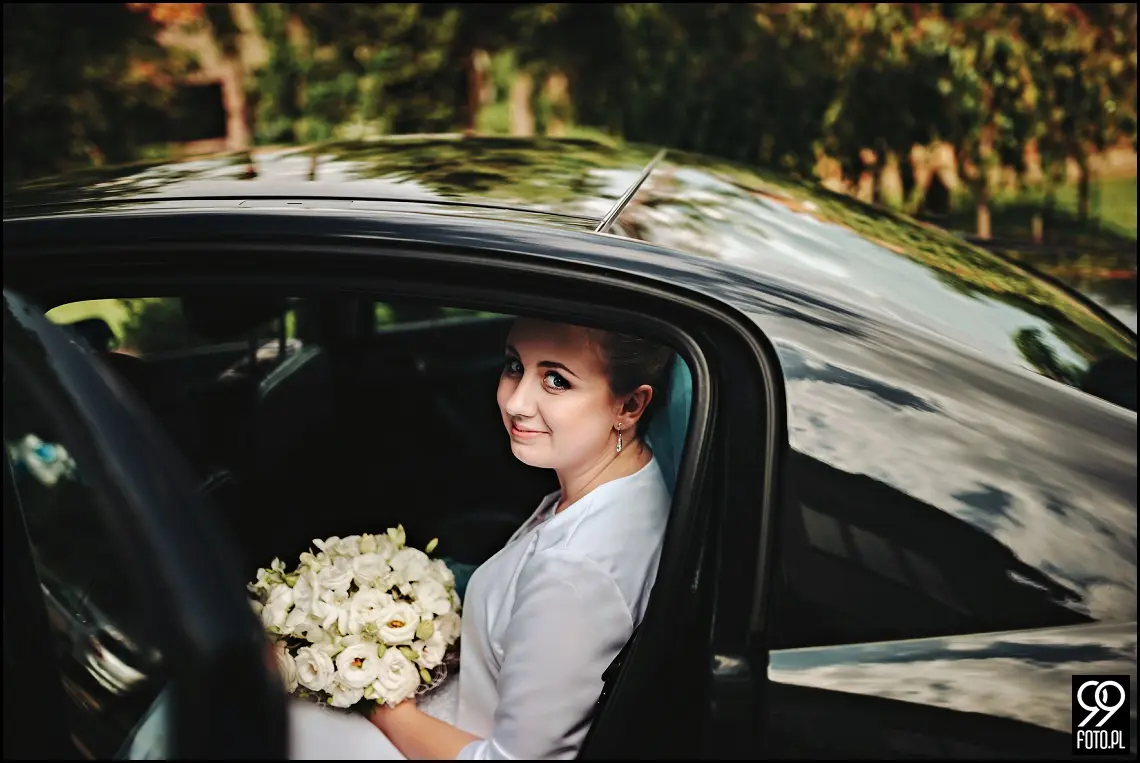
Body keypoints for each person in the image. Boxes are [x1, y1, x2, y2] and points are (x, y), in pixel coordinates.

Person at [291, 317, 675, 761]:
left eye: (555, 380)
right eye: (514, 365)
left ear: (629, 405)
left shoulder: (574, 571)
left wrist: (377, 701)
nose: (515, 402)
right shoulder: (629, 485)